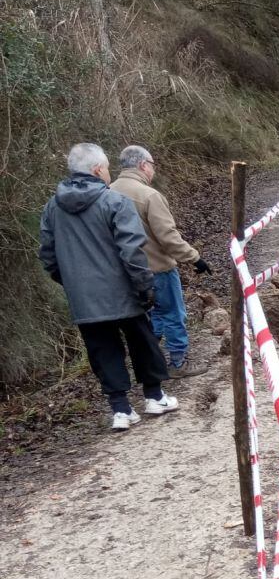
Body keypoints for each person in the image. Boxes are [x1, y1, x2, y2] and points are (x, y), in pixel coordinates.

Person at [39, 143, 179, 431]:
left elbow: (48, 256)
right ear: (97, 170)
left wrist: (72, 284)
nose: (108, 174)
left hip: (84, 299)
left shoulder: (52, 207)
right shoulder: (114, 201)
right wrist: (144, 286)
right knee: (142, 341)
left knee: (103, 351)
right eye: (106, 169)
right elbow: (132, 250)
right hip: (123, 290)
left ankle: (121, 409)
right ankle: (154, 396)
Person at [111, 145, 211, 377]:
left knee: (148, 317)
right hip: (157, 268)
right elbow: (167, 237)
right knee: (173, 314)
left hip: (125, 272)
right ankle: (178, 363)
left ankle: (149, 362)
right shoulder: (149, 196)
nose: (153, 170)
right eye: (152, 165)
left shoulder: (107, 193)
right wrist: (194, 258)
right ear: (143, 165)